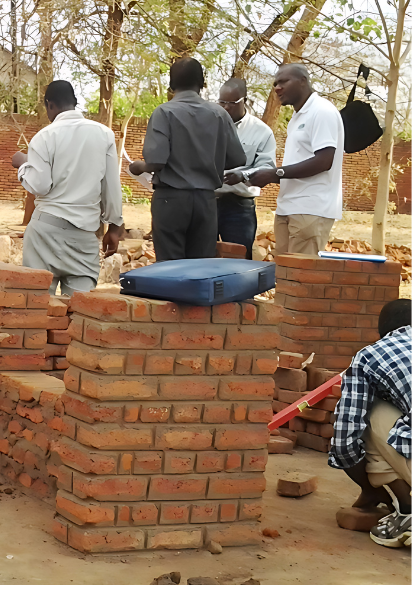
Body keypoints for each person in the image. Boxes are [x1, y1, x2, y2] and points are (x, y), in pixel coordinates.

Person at [12, 80, 125, 294]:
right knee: (79, 308)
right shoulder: (104, 134)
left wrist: (23, 165)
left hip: (44, 233)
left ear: (50, 105)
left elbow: (40, 185)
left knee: (37, 304)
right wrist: (114, 227)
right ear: (74, 102)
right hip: (83, 237)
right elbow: (111, 185)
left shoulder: (44, 136)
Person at [130, 57, 246, 261]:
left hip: (171, 199)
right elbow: (237, 158)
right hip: (206, 201)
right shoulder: (219, 114)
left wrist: (138, 166)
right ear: (202, 83)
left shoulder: (164, 112)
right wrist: (209, 160)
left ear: (171, 83)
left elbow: (156, 162)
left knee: (169, 266)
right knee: (200, 265)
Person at [330, 298, 411, 548]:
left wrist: (369, 487)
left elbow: (344, 442)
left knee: (366, 411)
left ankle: (407, 508)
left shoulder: (370, 356)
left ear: (382, 332)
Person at [248, 64, 345, 256]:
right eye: (275, 84)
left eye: (283, 82)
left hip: (311, 209)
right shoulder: (297, 116)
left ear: (303, 81)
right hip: (288, 207)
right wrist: (267, 176)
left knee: (301, 271)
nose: (277, 88)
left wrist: (275, 174)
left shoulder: (322, 111)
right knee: (284, 270)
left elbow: (324, 161)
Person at [215, 78, 277, 260]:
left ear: (245, 101)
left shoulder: (262, 131)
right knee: (203, 257)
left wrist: (243, 175)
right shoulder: (208, 125)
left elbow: (267, 166)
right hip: (207, 202)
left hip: (239, 207)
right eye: (222, 102)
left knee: (239, 259)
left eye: (232, 103)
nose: (226, 107)